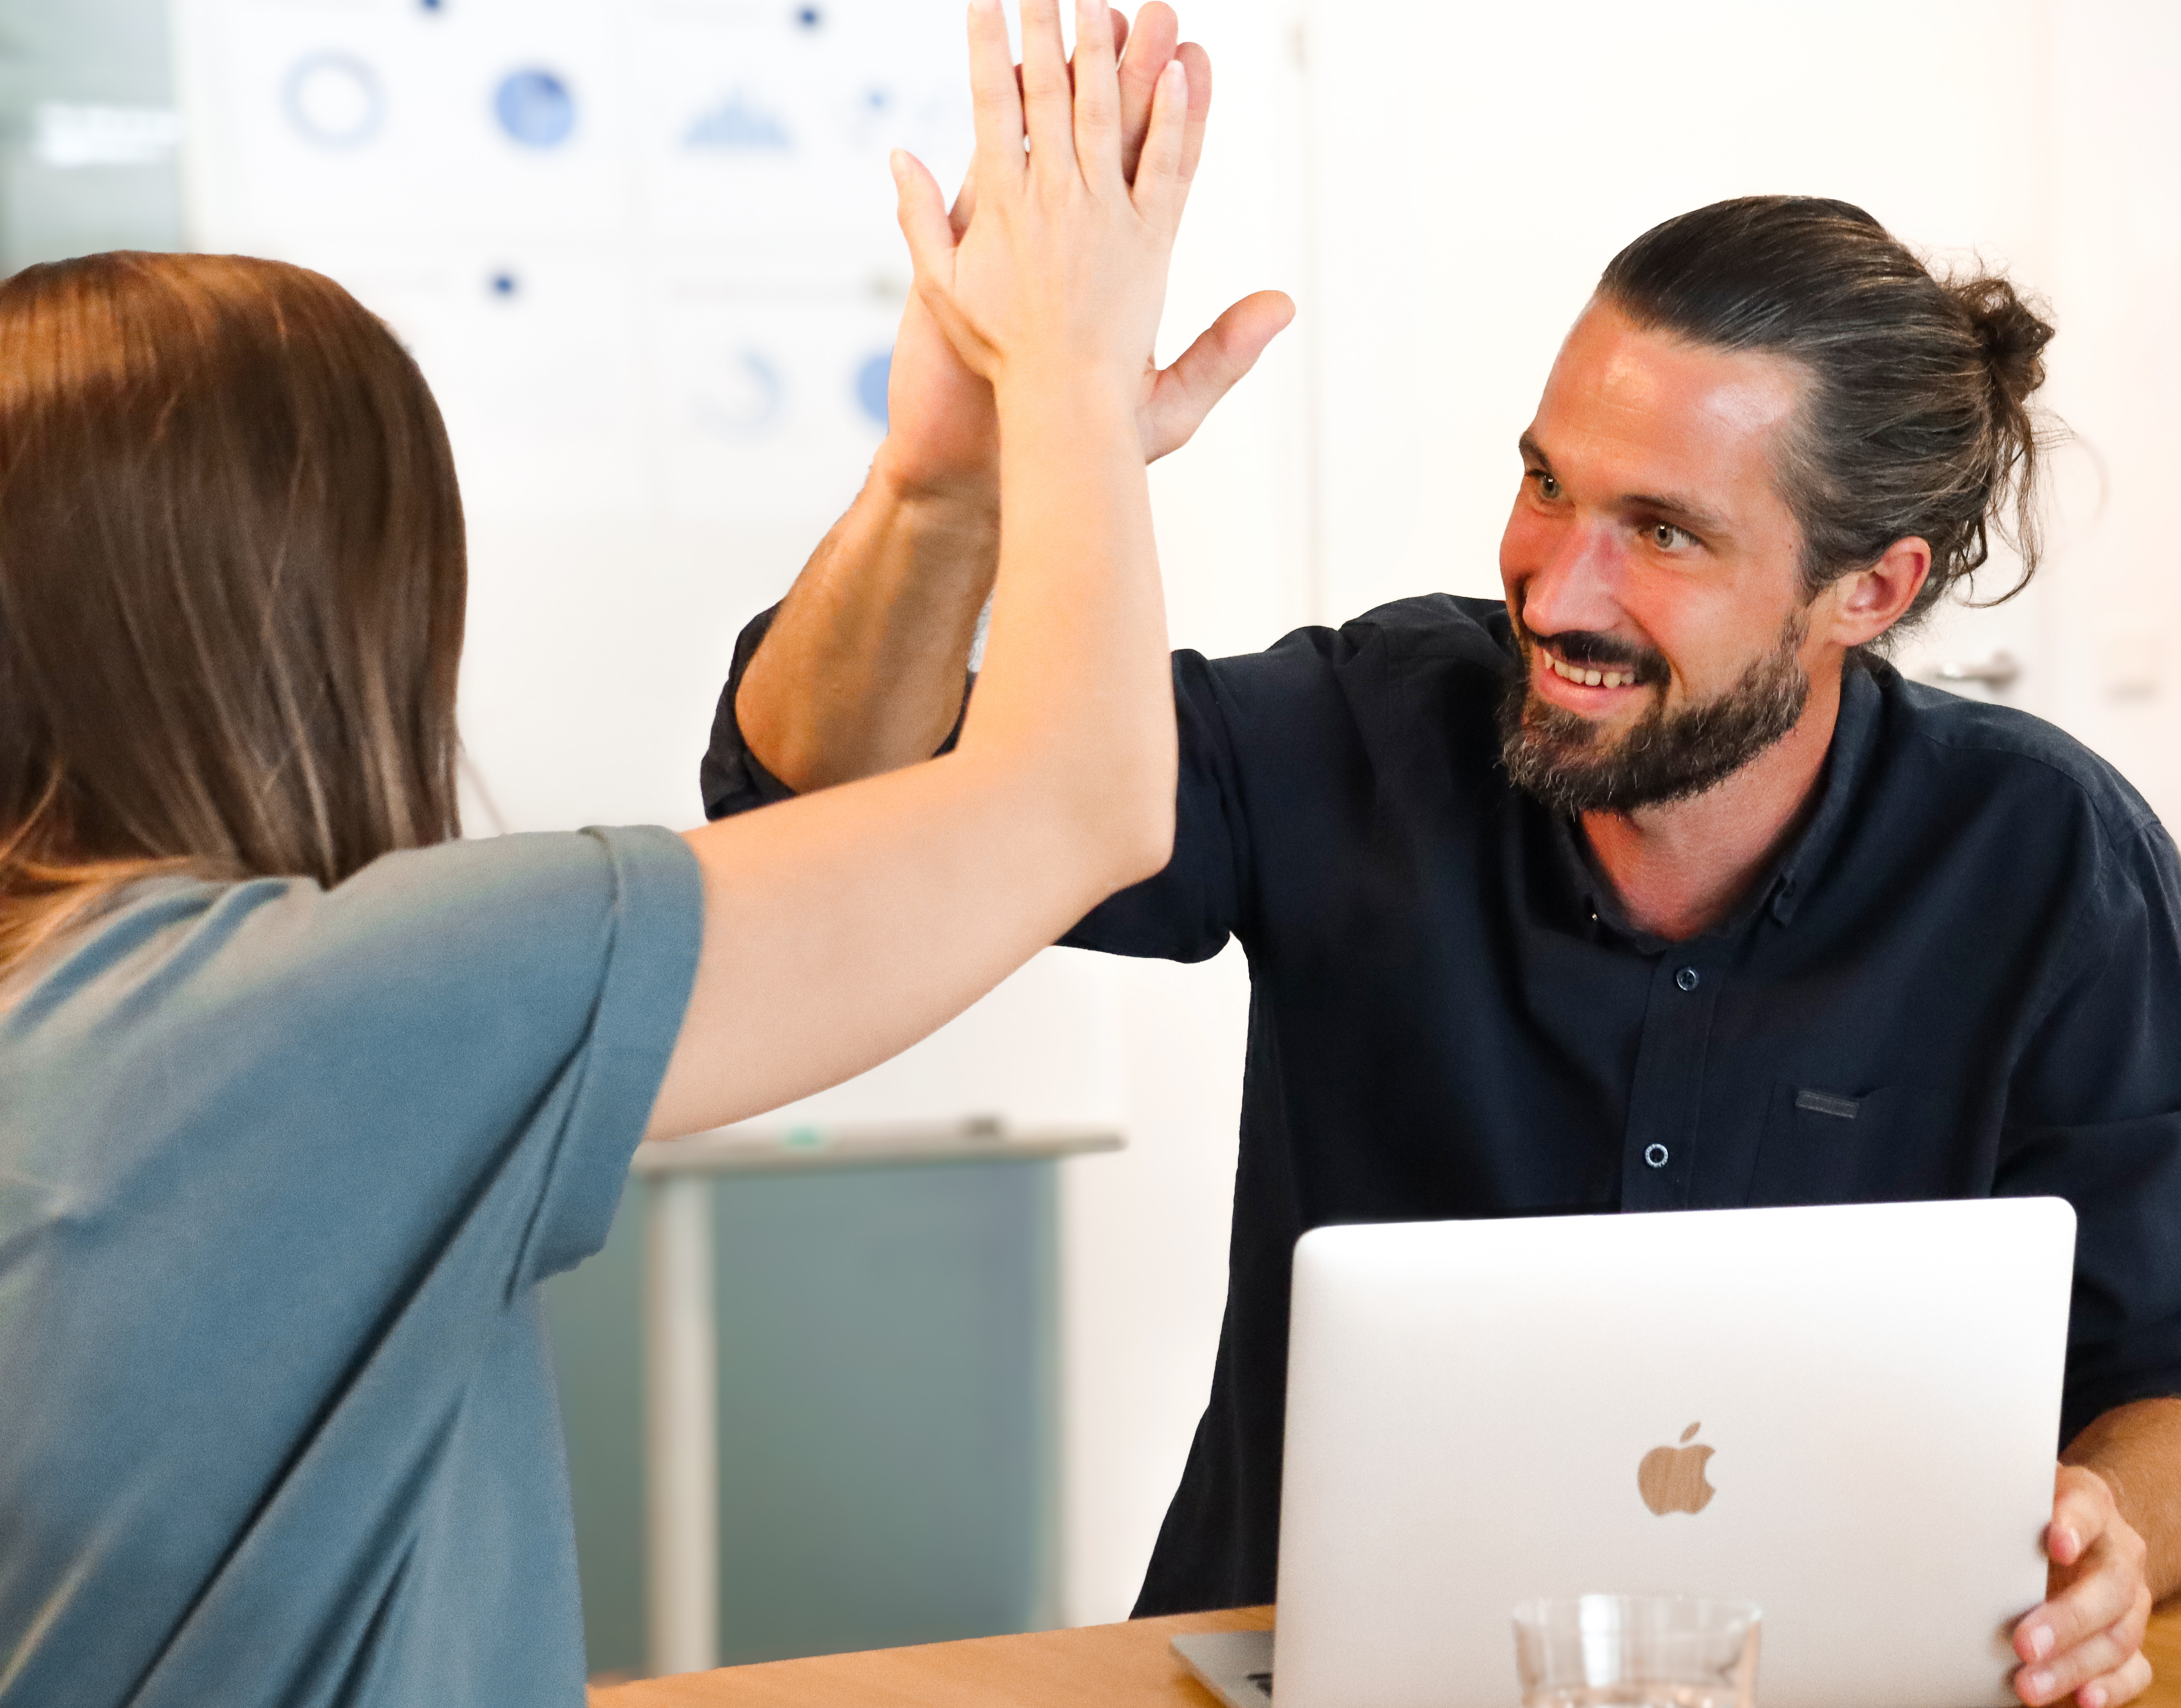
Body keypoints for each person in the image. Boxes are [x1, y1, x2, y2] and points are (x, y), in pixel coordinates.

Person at [709, 186, 2181, 1705]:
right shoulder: (1365, 729)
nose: (1555, 585)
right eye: (1549, 486)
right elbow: (821, 799)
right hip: (1295, 1679)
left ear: (1867, 591)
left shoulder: (2042, 856)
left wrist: (2117, 1540)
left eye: (1664, 533)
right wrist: (948, 482)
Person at [0, 4, 1276, 1702]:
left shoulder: (65, 1007)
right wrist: (1067, 375)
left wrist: (940, 485)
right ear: (328, 623)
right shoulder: (334, 1005)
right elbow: (1081, 806)